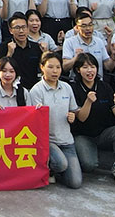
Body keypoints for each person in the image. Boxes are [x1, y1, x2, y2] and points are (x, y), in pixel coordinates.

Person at [71, 53, 115, 186]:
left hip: (103, 133)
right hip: (83, 135)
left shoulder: (104, 87)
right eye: (85, 67)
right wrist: (88, 101)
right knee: (89, 165)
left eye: (93, 67)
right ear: (78, 70)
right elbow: (81, 118)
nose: (90, 71)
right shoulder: (74, 88)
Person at [29, 51, 82, 188]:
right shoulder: (36, 91)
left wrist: (72, 115)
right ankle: (51, 168)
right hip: (48, 141)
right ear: (42, 67)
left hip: (66, 141)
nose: (55, 71)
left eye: (58, 67)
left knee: (75, 183)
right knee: (61, 164)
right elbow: (33, 120)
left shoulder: (67, 87)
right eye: (50, 67)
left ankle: (56, 172)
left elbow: (73, 110)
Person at [0, 12, 42, 89]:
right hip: (12, 88)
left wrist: (45, 53)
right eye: (17, 28)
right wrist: (9, 54)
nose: (21, 31)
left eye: (24, 27)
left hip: (32, 88)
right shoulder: (4, 46)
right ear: (10, 30)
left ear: (28, 29)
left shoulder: (35, 47)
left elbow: (42, 69)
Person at [62, 12, 114, 76]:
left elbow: (108, 67)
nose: (88, 28)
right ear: (77, 27)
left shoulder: (99, 41)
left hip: (97, 80)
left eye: (90, 25)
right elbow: (65, 67)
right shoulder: (69, 42)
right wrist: (75, 58)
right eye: (84, 26)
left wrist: (114, 57)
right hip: (77, 80)